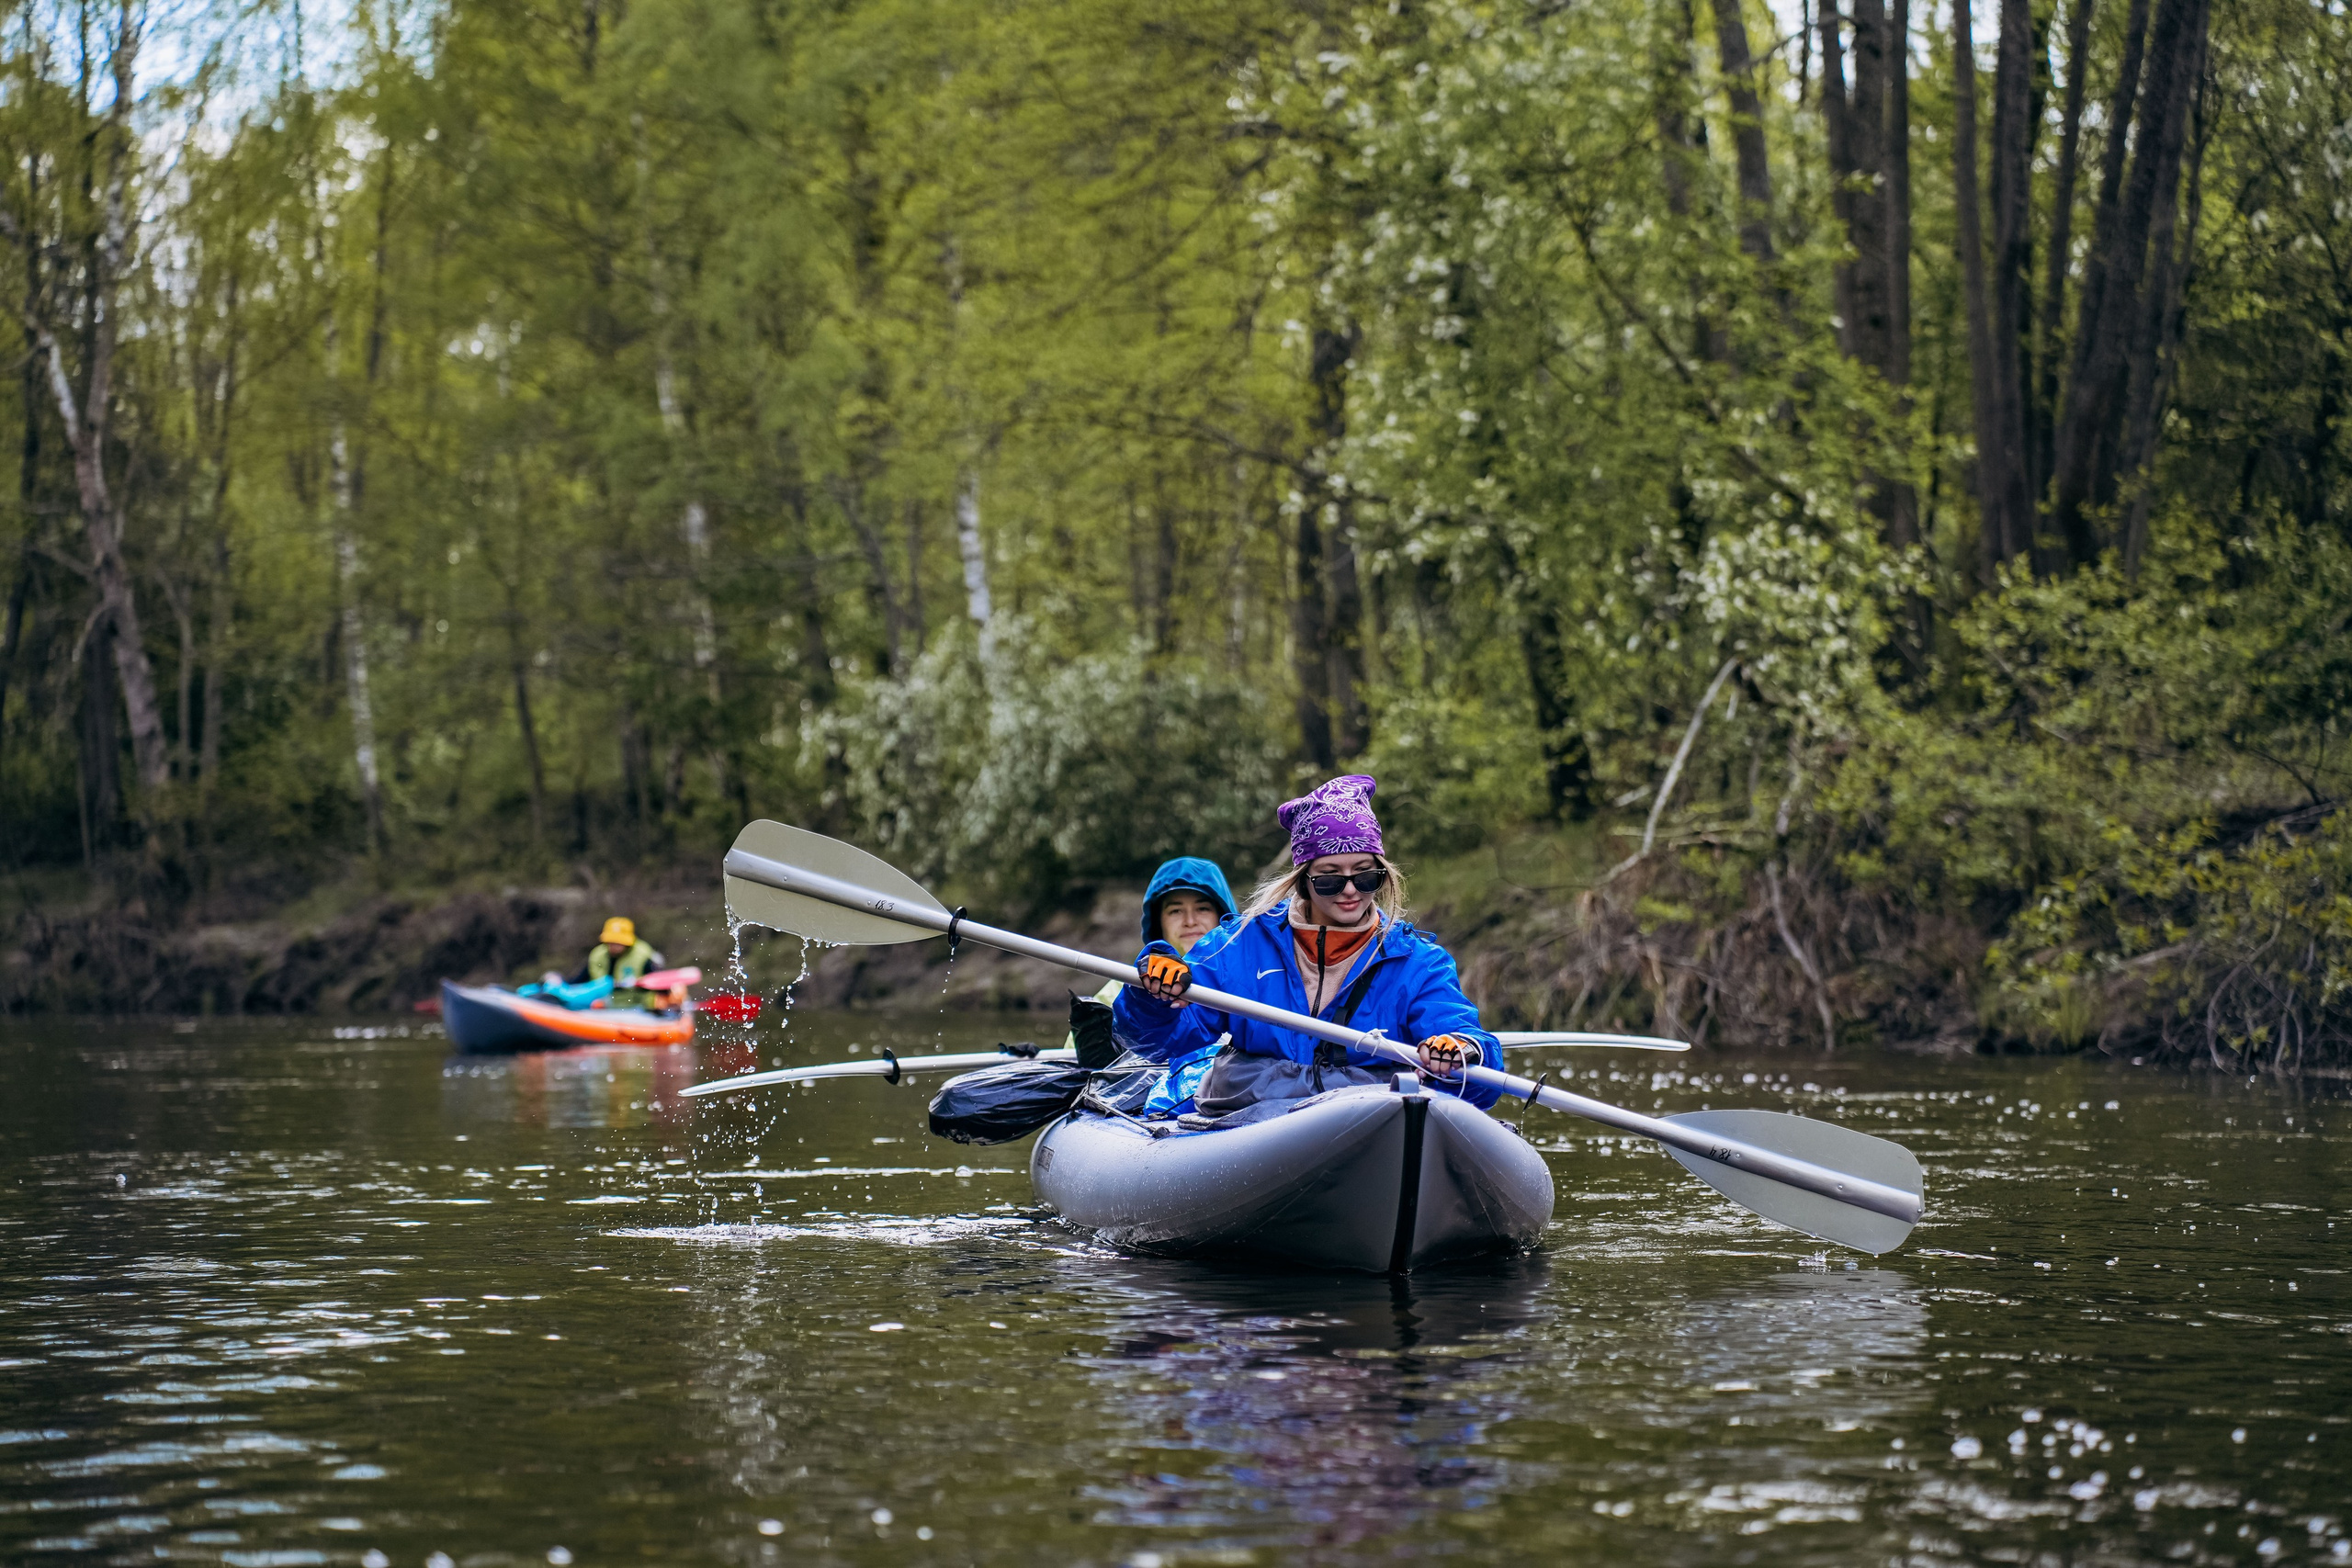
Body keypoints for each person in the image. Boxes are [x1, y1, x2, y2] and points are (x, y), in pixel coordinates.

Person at [1114, 774, 1504, 1120]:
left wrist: (1463, 1049)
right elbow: (1158, 1043)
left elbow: (1475, 1071)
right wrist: (1152, 996)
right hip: (1250, 1115)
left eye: (1365, 876)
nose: (1350, 891)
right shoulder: (1238, 944)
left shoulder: (1418, 962)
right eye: (1330, 878)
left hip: (1367, 1116)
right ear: (1303, 882)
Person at [539, 917, 665, 1010]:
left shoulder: (644, 957)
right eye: (611, 942)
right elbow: (580, 980)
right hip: (600, 1004)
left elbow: (660, 985)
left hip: (635, 1005)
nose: (613, 946)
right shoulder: (598, 955)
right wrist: (560, 981)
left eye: (618, 943)